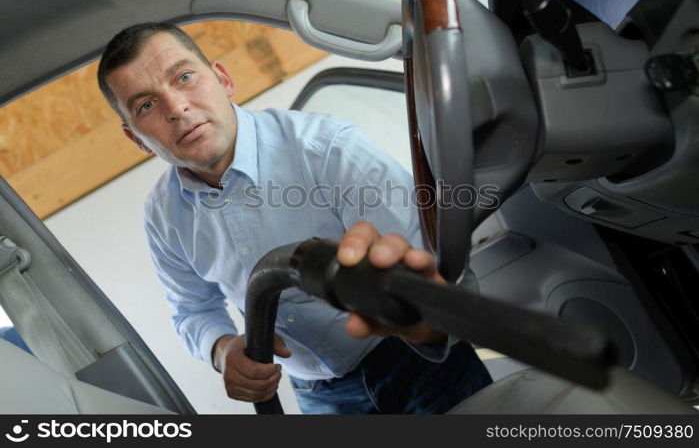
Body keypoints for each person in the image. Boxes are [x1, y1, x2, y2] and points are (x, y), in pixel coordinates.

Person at [97, 22, 491, 414]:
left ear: (223, 79)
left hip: (421, 362)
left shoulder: (327, 148)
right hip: (319, 394)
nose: (176, 108)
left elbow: (429, 277)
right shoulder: (162, 217)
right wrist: (222, 349)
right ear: (136, 139)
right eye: (146, 105)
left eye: (184, 77)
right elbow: (192, 310)